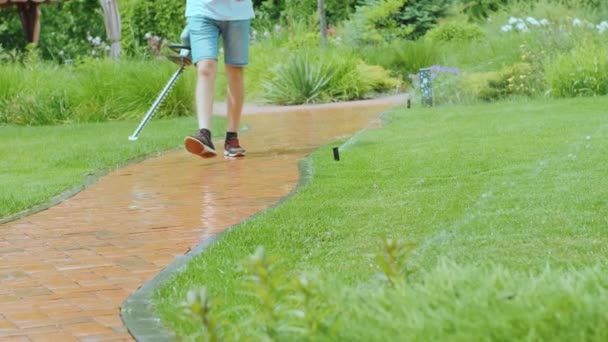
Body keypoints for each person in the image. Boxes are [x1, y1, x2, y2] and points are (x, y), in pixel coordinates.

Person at [183, 0, 254, 158]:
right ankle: (204, 134)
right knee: (205, 68)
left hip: (237, 11)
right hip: (201, 9)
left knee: (235, 70)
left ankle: (232, 137)